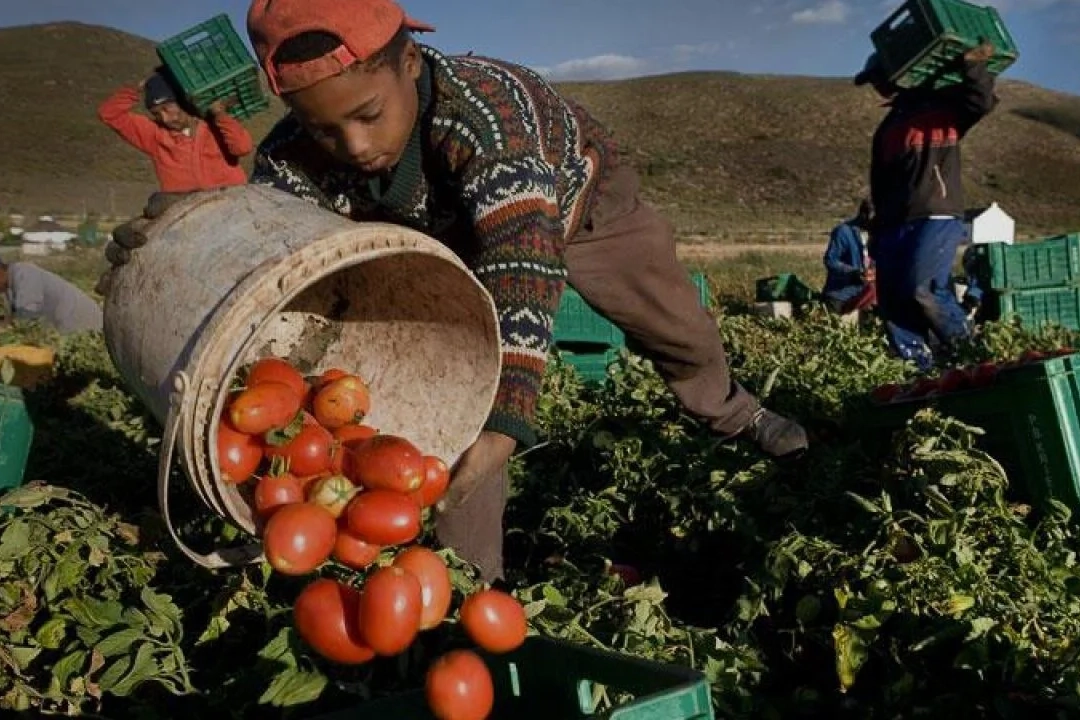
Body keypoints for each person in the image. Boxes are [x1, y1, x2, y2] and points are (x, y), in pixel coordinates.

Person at [100, 0, 809, 581]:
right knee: (458, 403)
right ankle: (467, 582)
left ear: (410, 63)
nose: (353, 146)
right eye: (324, 126)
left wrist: (509, 421)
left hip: (575, 201)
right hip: (434, 242)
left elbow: (523, 267)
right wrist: (187, 233)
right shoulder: (293, 153)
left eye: (368, 115)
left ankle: (732, 411)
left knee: (671, 322)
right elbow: (266, 240)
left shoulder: (486, 113)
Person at [855, 43, 998, 371]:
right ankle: (917, 373)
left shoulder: (943, 109)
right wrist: (876, 230)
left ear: (899, 76)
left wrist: (974, 67)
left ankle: (972, 356)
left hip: (936, 213)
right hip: (893, 224)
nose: (877, 85)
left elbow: (981, 102)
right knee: (894, 302)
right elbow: (881, 184)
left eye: (879, 77)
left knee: (925, 290)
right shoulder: (888, 128)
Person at [97, 69, 255, 192]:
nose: (164, 118)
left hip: (230, 200)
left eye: (167, 108)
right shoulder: (155, 135)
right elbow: (109, 113)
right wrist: (138, 87)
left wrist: (220, 115)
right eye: (156, 113)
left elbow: (242, 147)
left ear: (182, 103)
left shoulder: (214, 126)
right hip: (183, 208)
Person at [0, 260, 103, 335]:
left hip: (85, 328)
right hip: (64, 329)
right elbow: (13, 318)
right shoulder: (9, 287)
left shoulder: (25, 274)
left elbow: (27, 317)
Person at [822, 199, 876, 314]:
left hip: (865, 293)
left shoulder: (877, 234)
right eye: (873, 220)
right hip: (840, 294)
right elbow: (831, 261)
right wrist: (855, 273)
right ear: (863, 215)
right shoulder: (843, 232)